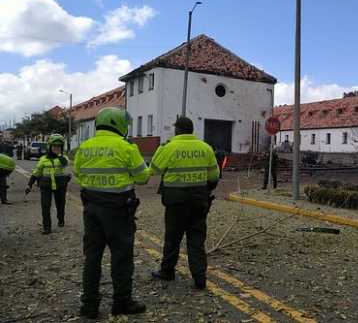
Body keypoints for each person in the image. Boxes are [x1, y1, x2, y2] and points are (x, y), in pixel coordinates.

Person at [73, 107, 150, 319]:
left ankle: (89, 305)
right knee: (121, 257)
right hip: (118, 210)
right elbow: (143, 177)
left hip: (91, 208)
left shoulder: (85, 147)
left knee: (92, 257)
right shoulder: (126, 147)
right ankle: (122, 302)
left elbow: (78, 173)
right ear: (118, 124)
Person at [150, 117, 219, 290]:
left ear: (177, 130)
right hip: (198, 200)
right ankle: (199, 278)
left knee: (172, 238)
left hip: (176, 202)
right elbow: (213, 176)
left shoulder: (169, 147)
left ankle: (167, 272)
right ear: (191, 130)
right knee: (196, 240)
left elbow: (154, 170)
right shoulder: (205, 148)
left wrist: (160, 150)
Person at [25, 134, 71, 234]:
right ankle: (47, 227)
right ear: (49, 147)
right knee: (45, 206)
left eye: (59, 146)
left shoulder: (64, 158)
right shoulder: (43, 159)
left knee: (61, 204)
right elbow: (36, 173)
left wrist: (59, 155)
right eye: (54, 146)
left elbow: (66, 165)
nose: (56, 148)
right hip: (45, 185)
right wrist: (29, 184)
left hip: (60, 185)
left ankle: (61, 218)